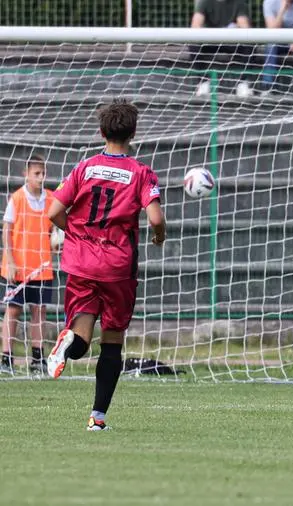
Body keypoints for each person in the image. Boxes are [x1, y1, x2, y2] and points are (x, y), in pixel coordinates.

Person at [45, 100, 166, 431]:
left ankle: (67, 341)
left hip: (81, 262)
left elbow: (54, 210)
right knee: (112, 342)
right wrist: (160, 235)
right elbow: (155, 217)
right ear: (134, 132)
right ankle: (97, 420)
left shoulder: (84, 168)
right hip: (117, 267)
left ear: (101, 132)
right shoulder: (141, 172)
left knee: (80, 339)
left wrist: (77, 232)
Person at [1, 155, 56, 375]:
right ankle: (6, 358)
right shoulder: (17, 199)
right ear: (26, 174)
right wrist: (11, 262)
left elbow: (55, 230)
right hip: (18, 268)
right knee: (12, 311)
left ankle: (37, 358)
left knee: (39, 312)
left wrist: (56, 241)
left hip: (42, 268)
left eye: (43, 173)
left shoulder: (51, 199)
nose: (41, 178)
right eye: (36, 174)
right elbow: (7, 231)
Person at [190, 0, 254, 98]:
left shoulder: (239, 3)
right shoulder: (204, 2)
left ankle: (243, 84)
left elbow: (244, 26)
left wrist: (236, 28)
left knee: (249, 44)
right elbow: (196, 25)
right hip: (210, 41)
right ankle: (203, 83)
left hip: (231, 41)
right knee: (194, 44)